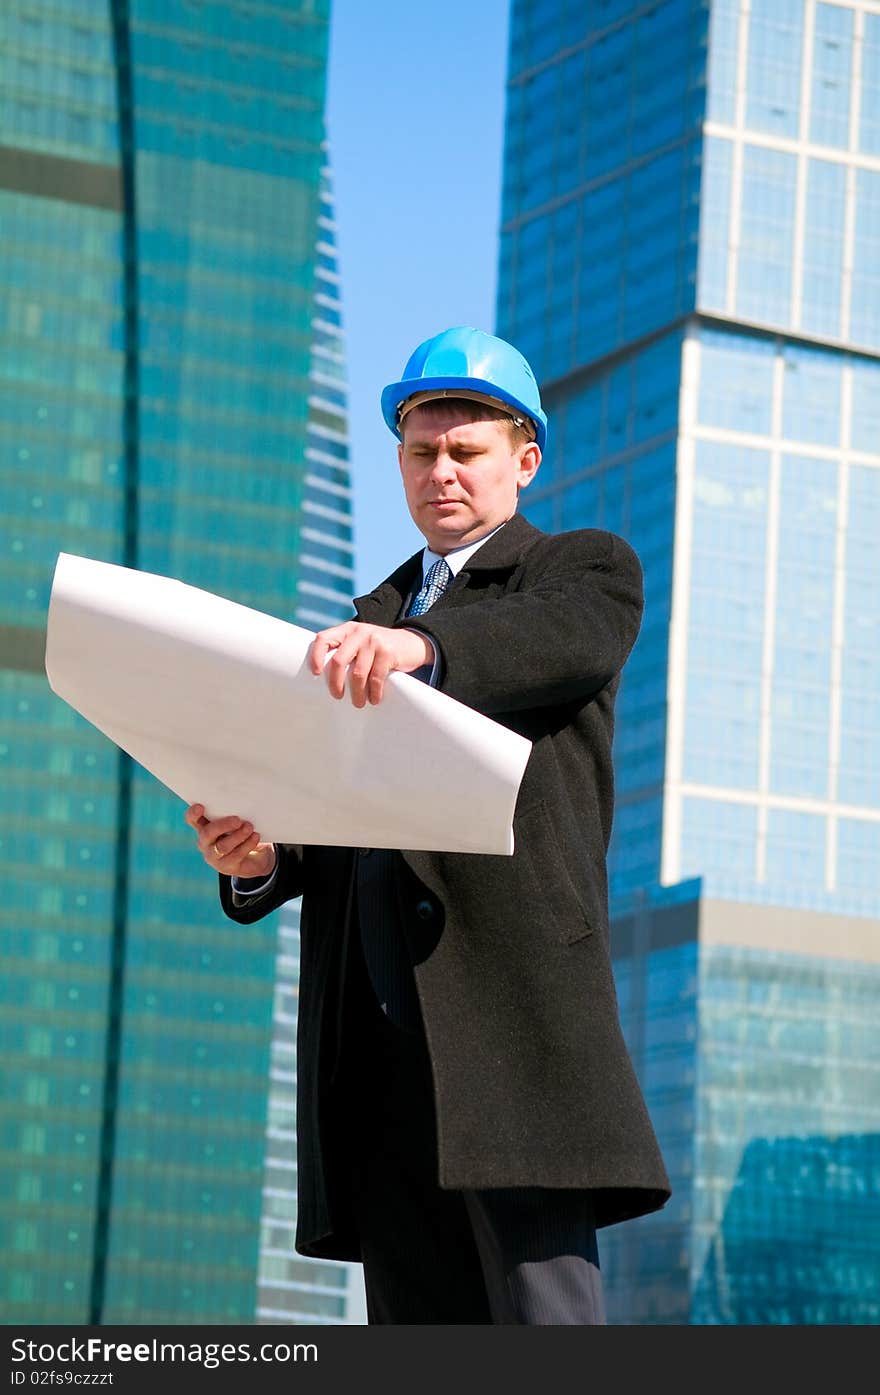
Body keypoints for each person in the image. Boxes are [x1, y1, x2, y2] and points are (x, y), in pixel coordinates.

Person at [185, 326, 670, 1325]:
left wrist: (419, 649)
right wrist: (265, 852)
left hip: (512, 1035)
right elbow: (341, 803)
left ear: (523, 461)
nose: (440, 472)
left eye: (466, 451)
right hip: (377, 1046)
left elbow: (552, 643)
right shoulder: (364, 620)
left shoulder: (579, 573)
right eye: (420, 453)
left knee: (543, 1321)